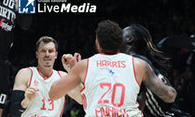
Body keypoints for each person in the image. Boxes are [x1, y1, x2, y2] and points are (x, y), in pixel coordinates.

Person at [49, 19, 177, 117]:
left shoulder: (135, 63)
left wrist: (76, 72)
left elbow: (139, 100)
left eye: (122, 32)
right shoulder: (138, 64)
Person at [122, 24, 191, 117]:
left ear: (129, 39)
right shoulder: (142, 61)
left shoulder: (132, 61)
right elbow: (168, 87)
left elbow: (140, 96)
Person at [10, 36, 82, 117]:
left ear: (56, 55)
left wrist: (73, 72)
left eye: (50, 51)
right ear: (37, 54)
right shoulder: (25, 74)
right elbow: (14, 112)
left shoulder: (62, 77)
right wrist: (26, 102)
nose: (47, 54)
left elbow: (82, 100)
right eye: (43, 51)